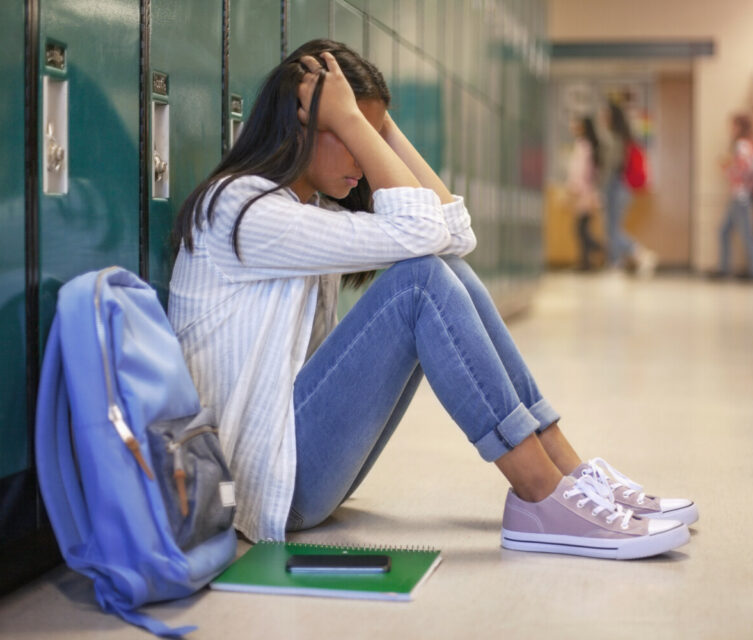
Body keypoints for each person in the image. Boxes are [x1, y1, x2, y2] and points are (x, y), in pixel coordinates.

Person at [168, 39, 697, 560]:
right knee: (419, 282)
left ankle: (567, 474)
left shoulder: (310, 212)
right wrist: (356, 122)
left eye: (373, 137)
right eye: (352, 136)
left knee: (444, 270)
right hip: (260, 486)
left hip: (293, 466)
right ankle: (539, 493)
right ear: (303, 124)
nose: (363, 156)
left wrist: (373, 122)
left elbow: (454, 233)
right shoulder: (241, 211)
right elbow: (423, 234)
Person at [601, 100, 657, 276]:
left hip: (617, 186)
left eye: (606, 114)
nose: (602, 117)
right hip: (622, 187)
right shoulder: (624, 137)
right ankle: (615, 263)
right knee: (611, 227)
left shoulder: (615, 138)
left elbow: (611, 166)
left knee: (613, 229)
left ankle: (639, 252)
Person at [715, 114, 753, 278]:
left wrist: (726, 168)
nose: (730, 130)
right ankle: (724, 269)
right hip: (743, 193)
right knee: (724, 231)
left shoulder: (742, 145)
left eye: (733, 126)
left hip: (741, 194)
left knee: (746, 234)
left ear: (739, 127)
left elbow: (744, 168)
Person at [565, 116, 605, 270]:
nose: (574, 127)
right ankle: (586, 262)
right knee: (582, 229)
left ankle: (597, 250)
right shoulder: (588, 147)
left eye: (578, 125)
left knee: (581, 229)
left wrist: (574, 188)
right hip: (585, 193)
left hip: (583, 194)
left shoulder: (584, 147)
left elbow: (580, 171)